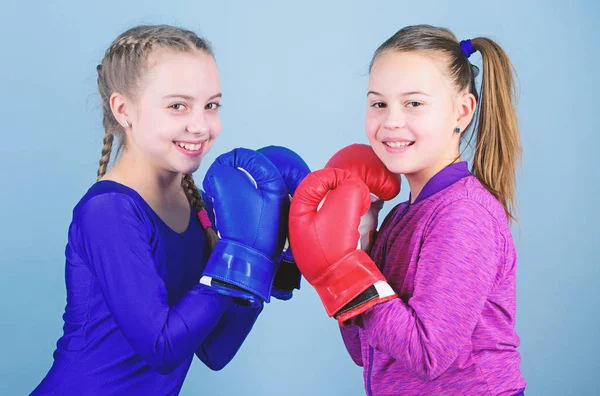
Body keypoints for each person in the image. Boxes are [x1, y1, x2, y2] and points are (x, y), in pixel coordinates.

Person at [31, 24, 290, 395]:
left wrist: (266, 257)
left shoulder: (200, 207)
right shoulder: (109, 212)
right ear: (124, 110)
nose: (201, 125)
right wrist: (235, 253)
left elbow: (216, 350)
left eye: (211, 105)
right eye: (177, 106)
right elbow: (163, 347)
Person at [289, 24, 526, 395]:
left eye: (413, 103)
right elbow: (365, 352)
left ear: (461, 112)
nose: (391, 121)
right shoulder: (402, 216)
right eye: (378, 103)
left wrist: (345, 272)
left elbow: (428, 354)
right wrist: (359, 247)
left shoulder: (463, 215)